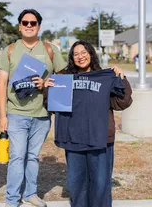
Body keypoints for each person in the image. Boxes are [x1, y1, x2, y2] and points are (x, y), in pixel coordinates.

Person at [44, 40, 132, 207]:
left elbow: (123, 102)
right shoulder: (65, 79)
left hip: (100, 140)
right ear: (72, 58)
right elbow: (52, 107)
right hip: (74, 139)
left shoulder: (104, 78)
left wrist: (122, 78)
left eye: (84, 52)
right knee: (77, 186)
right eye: (76, 54)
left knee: (101, 185)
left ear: (91, 54)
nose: (80, 57)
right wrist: (49, 89)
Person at [0, 9, 67, 207]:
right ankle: (12, 199)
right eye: (25, 22)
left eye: (33, 23)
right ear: (19, 26)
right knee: (17, 156)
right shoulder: (9, 50)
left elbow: (62, 77)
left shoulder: (50, 50)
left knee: (33, 157)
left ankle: (30, 194)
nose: (29, 26)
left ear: (39, 26)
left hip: (42, 114)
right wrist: (2, 116)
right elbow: (1, 83)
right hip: (16, 113)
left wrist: (45, 83)